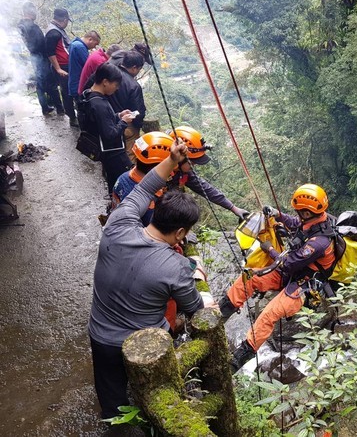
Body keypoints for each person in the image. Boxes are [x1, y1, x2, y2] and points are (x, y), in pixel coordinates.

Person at [88, 139, 207, 419]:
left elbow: (144, 188)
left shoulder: (118, 223)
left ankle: (117, 422)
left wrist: (172, 159)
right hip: (146, 343)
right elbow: (195, 309)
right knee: (158, 394)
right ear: (180, 234)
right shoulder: (176, 266)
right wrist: (195, 274)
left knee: (113, 402)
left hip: (101, 335)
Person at [220, 184, 336, 370]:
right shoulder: (315, 220)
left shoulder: (320, 242)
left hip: (305, 283)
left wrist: (270, 249)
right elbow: (295, 223)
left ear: (308, 212)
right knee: (249, 279)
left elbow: (289, 262)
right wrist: (277, 214)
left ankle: (239, 358)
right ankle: (222, 313)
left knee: (269, 314)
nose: (298, 214)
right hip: (292, 272)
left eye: (300, 212)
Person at [168, 126, 249, 220]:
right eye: (192, 161)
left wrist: (234, 208)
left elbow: (206, 189)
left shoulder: (184, 172)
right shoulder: (158, 171)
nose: (194, 165)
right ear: (179, 157)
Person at [79, 62, 133, 194]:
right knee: (122, 184)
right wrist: (124, 122)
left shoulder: (88, 95)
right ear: (105, 82)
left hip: (104, 152)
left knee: (113, 183)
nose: (117, 88)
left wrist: (118, 115)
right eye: (116, 84)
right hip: (113, 154)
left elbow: (101, 121)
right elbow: (109, 135)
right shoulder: (99, 104)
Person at [112, 131, 175, 226]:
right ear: (157, 168)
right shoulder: (149, 203)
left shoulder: (124, 177)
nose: (171, 173)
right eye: (168, 168)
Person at [17, 1, 62, 116]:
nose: (36, 13)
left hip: (34, 57)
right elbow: (39, 44)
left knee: (41, 83)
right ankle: (58, 108)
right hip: (41, 57)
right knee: (49, 83)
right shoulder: (31, 27)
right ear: (30, 11)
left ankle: (45, 107)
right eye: (34, 11)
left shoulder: (21, 25)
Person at [107, 51, 146, 162]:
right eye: (139, 69)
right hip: (127, 124)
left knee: (112, 152)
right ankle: (127, 177)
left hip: (109, 119)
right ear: (134, 68)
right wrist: (138, 125)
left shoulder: (110, 72)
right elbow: (138, 110)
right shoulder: (133, 86)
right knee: (131, 153)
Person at [45, 7, 77, 127]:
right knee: (67, 92)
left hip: (66, 65)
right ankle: (72, 118)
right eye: (67, 20)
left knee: (69, 90)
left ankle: (73, 114)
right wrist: (58, 69)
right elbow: (50, 53)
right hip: (62, 67)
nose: (67, 23)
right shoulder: (53, 32)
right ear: (64, 20)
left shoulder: (57, 30)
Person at [67, 30, 101, 99]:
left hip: (74, 82)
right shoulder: (80, 47)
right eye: (95, 44)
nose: (94, 47)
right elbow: (88, 64)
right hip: (78, 83)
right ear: (90, 39)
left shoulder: (74, 43)